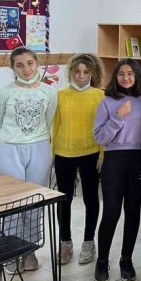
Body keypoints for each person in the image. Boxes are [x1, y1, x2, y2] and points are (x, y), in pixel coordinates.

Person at [0, 46, 58, 273]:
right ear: (13, 68)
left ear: (36, 63)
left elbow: (49, 120)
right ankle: (11, 250)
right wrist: (14, 139)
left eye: (30, 63)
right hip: (10, 148)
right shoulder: (4, 93)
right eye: (19, 65)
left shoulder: (49, 92)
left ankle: (29, 249)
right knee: (12, 201)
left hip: (39, 148)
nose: (26, 69)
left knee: (34, 200)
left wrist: (35, 139)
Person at [93, 59, 141, 281]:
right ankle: (102, 261)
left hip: (138, 159)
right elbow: (100, 137)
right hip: (114, 160)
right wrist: (118, 116)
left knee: (133, 212)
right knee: (111, 212)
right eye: (121, 74)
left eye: (130, 73)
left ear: (137, 75)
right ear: (115, 77)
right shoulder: (107, 102)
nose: (125, 77)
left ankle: (126, 260)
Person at [52, 53, 105, 266]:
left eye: (86, 72)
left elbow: (103, 127)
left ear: (92, 73)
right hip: (63, 153)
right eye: (77, 71)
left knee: (91, 199)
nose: (81, 76)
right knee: (63, 200)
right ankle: (65, 242)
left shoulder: (100, 96)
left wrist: (102, 153)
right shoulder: (60, 95)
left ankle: (88, 241)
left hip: (91, 154)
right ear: (71, 73)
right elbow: (55, 126)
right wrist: (52, 154)